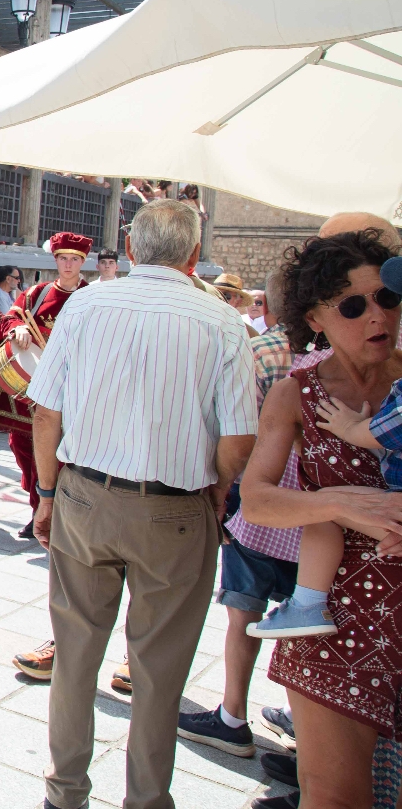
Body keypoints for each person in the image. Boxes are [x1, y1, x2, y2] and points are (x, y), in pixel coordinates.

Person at [29, 200, 257, 809]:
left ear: (130, 249)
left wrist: (47, 494)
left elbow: (46, 411)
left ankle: (64, 791)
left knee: (74, 655)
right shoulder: (223, 322)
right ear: (193, 256)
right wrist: (218, 491)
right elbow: (238, 438)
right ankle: (148, 799)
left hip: (85, 497)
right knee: (159, 670)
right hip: (176, 509)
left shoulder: (85, 305)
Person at [236, 232, 402, 809]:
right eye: (352, 306)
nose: (377, 316)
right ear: (315, 319)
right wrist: (339, 504)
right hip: (332, 618)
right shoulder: (295, 394)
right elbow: (256, 499)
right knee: (334, 797)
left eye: (387, 298)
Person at [173, 270, 301, 757]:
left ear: (269, 306)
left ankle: (232, 715)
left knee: (244, 609)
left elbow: (236, 431)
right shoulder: (344, 358)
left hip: (260, 502)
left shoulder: (259, 352)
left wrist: (220, 490)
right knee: (307, 614)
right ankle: (305, 721)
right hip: (319, 513)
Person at [0, 233, 93, 537]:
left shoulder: (92, 298)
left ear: (83, 262)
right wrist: (18, 327)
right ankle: (38, 505)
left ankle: (44, 512)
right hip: (31, 389)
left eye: (74, 259)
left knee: (53, 452)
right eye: (63, 258)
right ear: (55, 260)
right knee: (21, 446)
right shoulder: (38, 293)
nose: (68, 264)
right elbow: (10, 317)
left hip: (69, 389)